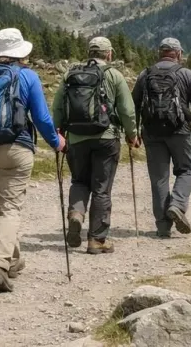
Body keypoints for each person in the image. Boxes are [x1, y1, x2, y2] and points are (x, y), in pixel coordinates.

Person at [0, 27, 65, 293]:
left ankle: (12, 260)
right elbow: (41, 117)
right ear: (21, 53)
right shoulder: (27, 76)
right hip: (16, 150)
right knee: (9, 210)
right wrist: (56, 142)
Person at [52, 36, 138, 255]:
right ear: (109, 54)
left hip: (77, 138)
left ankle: (76, 215)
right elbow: (127, 111)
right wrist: (132, 135)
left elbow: (59, 105)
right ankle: (97, 240)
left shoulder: (70, 74)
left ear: (89, 53)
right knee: (101, 188)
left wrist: (58, 131)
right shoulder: (114, 75)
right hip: (106, 138)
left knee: (79, 180)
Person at [132, 37, 191, 238]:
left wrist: (133, 132)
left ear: (160, 52)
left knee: (159, 179)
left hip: (151, 133)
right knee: (186, 170)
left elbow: (133, 104)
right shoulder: (186, 74)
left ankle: (163, 227)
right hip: (179, 131)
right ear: (178, 53)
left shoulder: (145, 74)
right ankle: (177, 204)